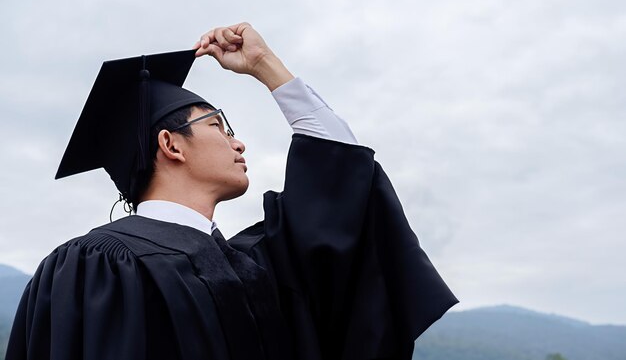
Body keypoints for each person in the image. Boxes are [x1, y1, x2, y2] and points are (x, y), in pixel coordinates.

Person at [6, 23, 458, 360]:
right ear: (170, 145)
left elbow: (343, 180)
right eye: (219, 126)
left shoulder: (258, 263)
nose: (238, 141)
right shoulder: (94, 267)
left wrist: (266, 67)